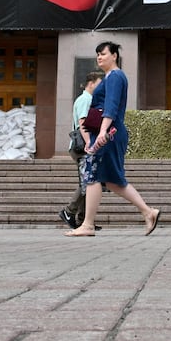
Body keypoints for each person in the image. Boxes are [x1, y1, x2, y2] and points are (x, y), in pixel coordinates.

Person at [64, 41, 161, 238]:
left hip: (108, 134)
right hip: (110, 133)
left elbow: (111, 105)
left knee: (92, 175)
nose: (99, 57)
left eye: (103, 54)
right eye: (97, 54)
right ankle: (148, 212)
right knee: (114, 180)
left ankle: (88, 225)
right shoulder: (110, 77)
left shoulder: (115, 76)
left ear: (114, 56)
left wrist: (102, 132)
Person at [58, 70, 104, 229]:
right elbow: (82, 123)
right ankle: (69, 211)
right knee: (88, 181)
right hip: (82, 147)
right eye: (99, 85)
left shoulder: (87, 99)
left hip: (83, 146)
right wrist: (90, 144)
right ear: (91, 84)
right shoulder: (86, 99)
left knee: (90, 181)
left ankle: (83, 220)